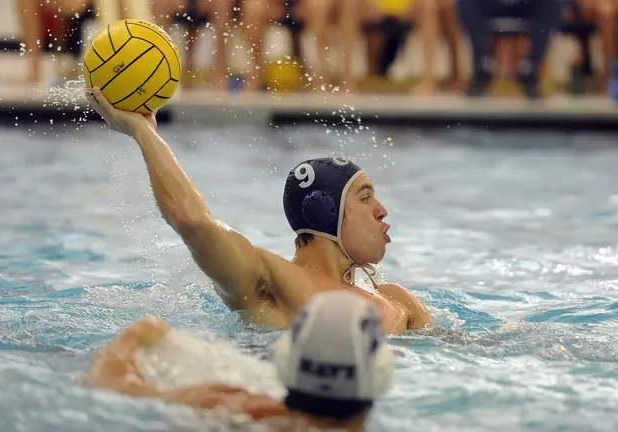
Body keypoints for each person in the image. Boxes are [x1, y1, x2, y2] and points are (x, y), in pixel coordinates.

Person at [85, 86, 435, 335]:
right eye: (365, 197)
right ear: (322, 212)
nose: (382, 210)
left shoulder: (399, 302)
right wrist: (143, 132)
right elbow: (191, 220)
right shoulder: (271, 281)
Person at [84, 291, 394, 430]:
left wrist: (136, 334)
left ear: (286, 361)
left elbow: (105, 383)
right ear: (381, 374)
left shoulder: (229, 407)